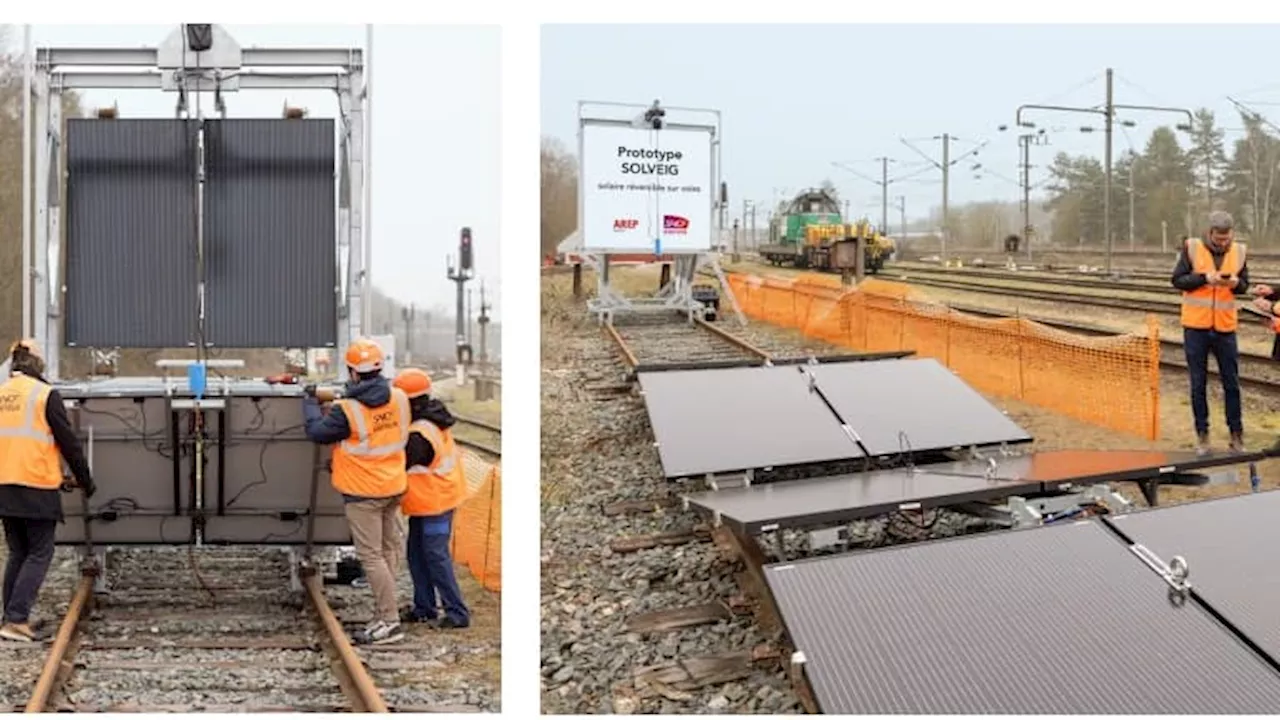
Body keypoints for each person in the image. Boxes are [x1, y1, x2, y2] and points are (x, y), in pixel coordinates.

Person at [304, 338, 411, 645]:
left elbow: (317, 433)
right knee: (388, 549)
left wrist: (309, 402)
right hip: (393, 485)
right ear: (379, 368)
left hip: (364, 493)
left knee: (372, 556)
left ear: (352, 372)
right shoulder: (400, 397)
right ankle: (385, 612)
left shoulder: (347, 410)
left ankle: (389, 621)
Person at [0, 339, 94, 642]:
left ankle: (10, 617)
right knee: (40, 552)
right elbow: (68, 443)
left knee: (18, 551)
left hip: (4, 484)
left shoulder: (2, 394)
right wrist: (85, 479)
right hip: (35, 484)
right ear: (37, 363)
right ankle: (17, 618)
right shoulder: (44, 394)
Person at [392, 368, 471, 629]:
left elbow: (401, 463)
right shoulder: (430, 420)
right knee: (417, 554)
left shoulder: (420, 434)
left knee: (435, 556)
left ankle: (457, 613)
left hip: (435, 503)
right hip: (427, 502)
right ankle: (424, 608)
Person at [1171, 211, 1251, 455]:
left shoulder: (1239, 252)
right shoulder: (1192, 248)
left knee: (1232, 384)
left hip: (1225, 328)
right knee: (1198, 384)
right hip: (1197, 328)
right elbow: (1178, 280)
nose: (1223, 243)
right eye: (1219, 239)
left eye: (1227, 239)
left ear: (1232, 234)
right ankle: (1202, 435)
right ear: (1210, 233)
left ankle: (1236, 435)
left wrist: (1235, 284)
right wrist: (1205, 278)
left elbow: (1245, 285)